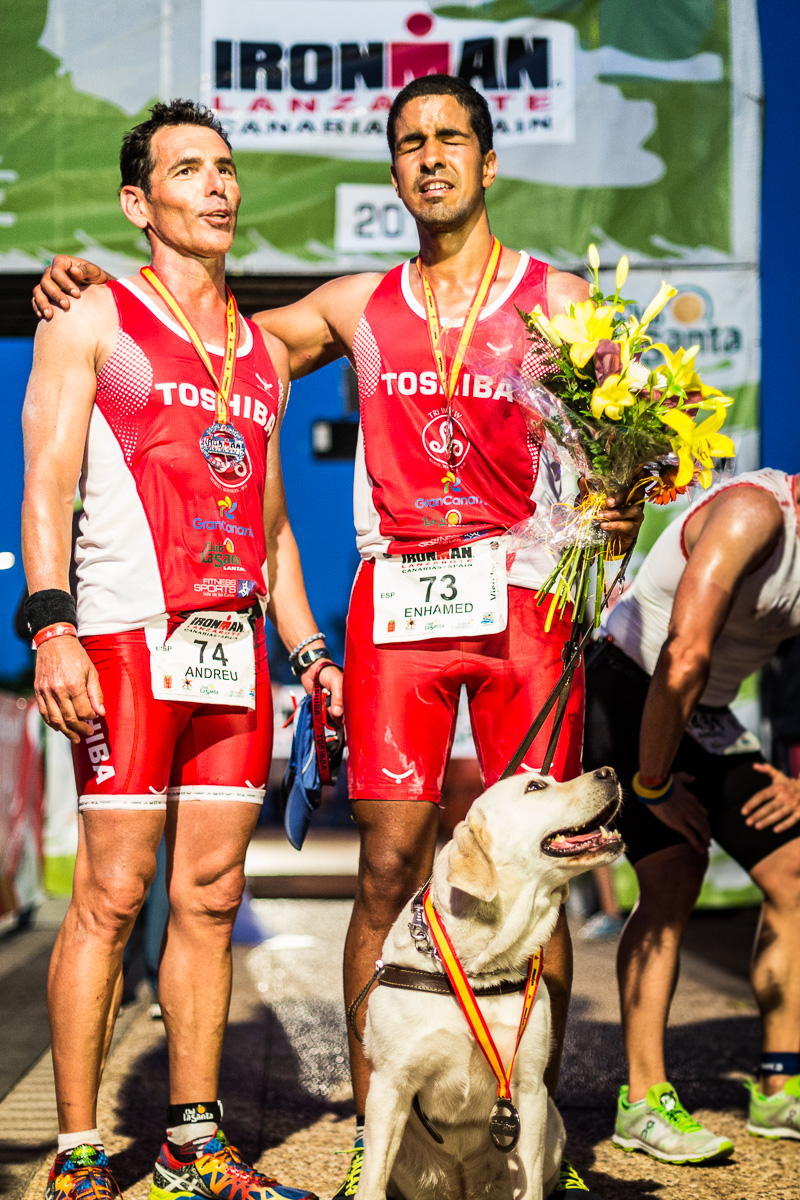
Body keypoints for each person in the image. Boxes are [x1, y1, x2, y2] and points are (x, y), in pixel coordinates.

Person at [33, 76, 643, 1198]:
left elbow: (634, 441)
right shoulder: (347, 305)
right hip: (377, 610)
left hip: (516, 601)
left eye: (450, 140)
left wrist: (624, 502)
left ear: (488, 161)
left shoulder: (558, 299)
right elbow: (186, 350)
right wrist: (82, 288)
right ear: (393, 169)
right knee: (375, 869)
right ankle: (374, 1126)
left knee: (538, 860)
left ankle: (527, 1121)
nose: (430, 158)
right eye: (409, 143)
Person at [23, 99, 342, 1200]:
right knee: (113, 895)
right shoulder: (94, 318)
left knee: (209, 897)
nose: (217, 185)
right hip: (122, 636)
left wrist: (311, 652)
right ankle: (78, 1152)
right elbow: (46, 483)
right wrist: (51, 626)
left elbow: (274, 527)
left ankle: (192, 1148)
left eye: (226, 167)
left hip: (233, 651)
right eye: (188, 168)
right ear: (138, 202)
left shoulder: (261, 352)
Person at [583, 467, 800, 1163]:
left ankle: (781, 1085)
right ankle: (643, 1102)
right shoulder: (753, 514)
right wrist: (652, 784)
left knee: (794, 872)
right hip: (631, 689)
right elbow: (684, 655)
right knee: (675, 871)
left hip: (706, 712)